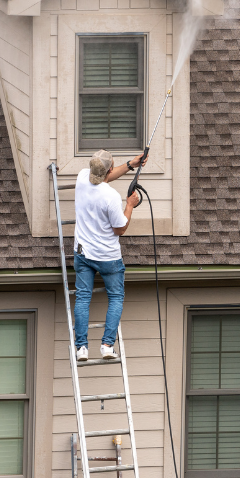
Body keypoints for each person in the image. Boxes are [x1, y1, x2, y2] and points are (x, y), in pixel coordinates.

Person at [72, 149, 147, 361]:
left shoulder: (82, 177)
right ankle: (106, 345)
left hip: (83, 253)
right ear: (110, 170)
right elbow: (120, 229)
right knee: (115, 297)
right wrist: (130, 206)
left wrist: (131, 165)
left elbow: (105, 177)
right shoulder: (111, 196)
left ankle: (81, 349)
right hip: (107, 258)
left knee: (83, 297)